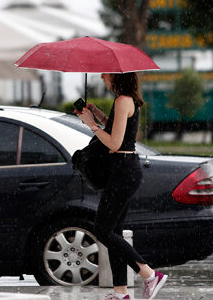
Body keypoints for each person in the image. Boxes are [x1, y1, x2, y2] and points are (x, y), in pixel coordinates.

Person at [75, 72, 167, 300]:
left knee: (103, 230)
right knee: (114, 231)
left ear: (117, 76)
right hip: (125, 170)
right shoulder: (127, 100)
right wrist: (97, 116)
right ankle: (120, 292)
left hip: (123, 171)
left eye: (105, 74)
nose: (101, 76)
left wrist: (92, 126)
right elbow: (119, 130)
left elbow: (115, 144)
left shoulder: (122, 100)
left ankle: (149, 274)